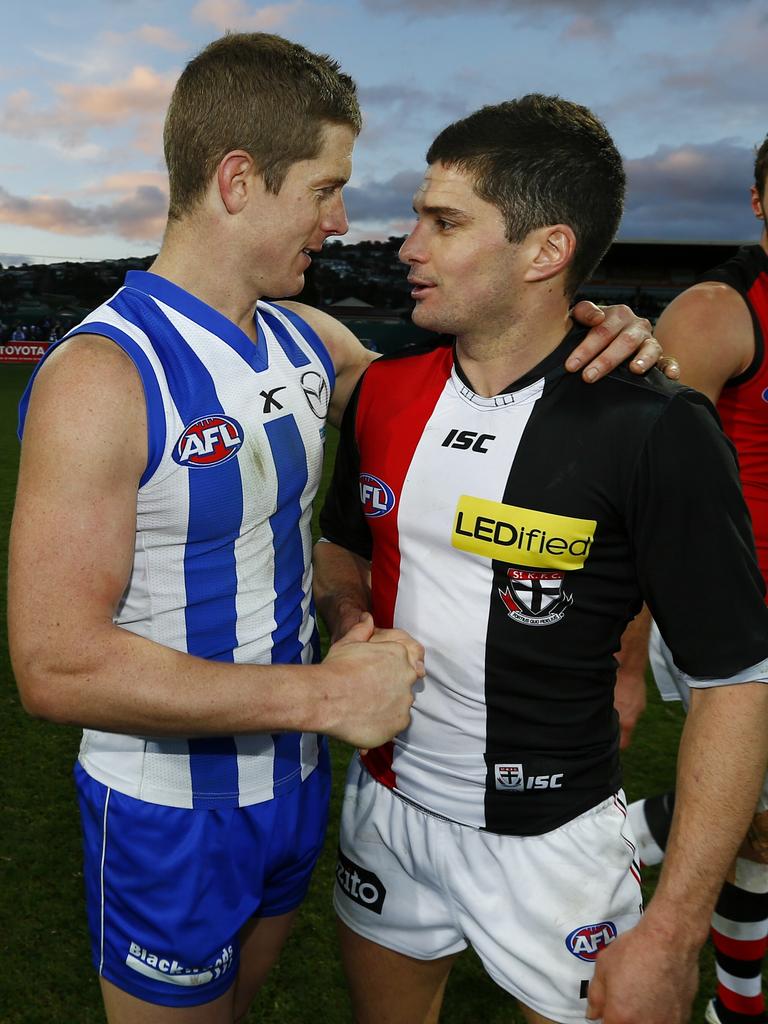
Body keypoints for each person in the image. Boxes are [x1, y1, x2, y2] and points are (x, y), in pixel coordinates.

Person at [8, 34, 666, 1024]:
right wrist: (323, 693)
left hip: (296, 783)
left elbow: (477, 378)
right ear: (238, 180)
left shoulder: (307, 342)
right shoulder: (106, 375)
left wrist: (596, 327)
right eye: (324, 188)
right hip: (170, 810)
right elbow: (54, 665)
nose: (341, 218)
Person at [314, 95, 768, 1024]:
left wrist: (676, 931)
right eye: (417, 220)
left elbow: (737, 681)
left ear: (544, 251)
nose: (408, 246)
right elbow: (339, 547)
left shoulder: (654, 426)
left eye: (444, 222)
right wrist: (350, 620)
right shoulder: (384, 394)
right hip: (386, 811)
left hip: (554, 842)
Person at [617, 136, 768, 1024]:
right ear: (756, 202)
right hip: (727, 609)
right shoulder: (720, 311)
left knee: (756, 833)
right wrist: (627, 661)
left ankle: (738, 1008)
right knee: (744, 809)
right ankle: (604, 843)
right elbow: (643, 487)